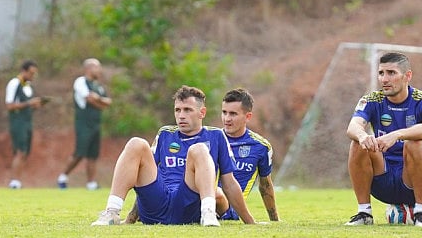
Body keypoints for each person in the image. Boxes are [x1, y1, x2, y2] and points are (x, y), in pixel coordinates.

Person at [91, 85, 256, 226]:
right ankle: (112, 211)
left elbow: (229, 183)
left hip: (187, 207)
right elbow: (143, 175)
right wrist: (131, 218)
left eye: (187, 110)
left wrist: (250, 221)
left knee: (198, 149)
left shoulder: (217, 136)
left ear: (202, 113)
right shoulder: (165, 134)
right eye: (177, 110)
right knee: (136, 143)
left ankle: (208, 213)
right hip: (156, 206)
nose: (181, 115)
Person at [345, 51, 422, 228]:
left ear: (407, 76)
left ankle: (421, 212)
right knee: (358, 142)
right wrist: (363, 136)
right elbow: (353, 127)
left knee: (417, 142)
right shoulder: (371, 100)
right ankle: (364, 213)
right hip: (383, 179)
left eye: (391, 73)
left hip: (416, 181)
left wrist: (397, 134)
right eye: (381, 73)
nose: (384, 79)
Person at [215, 88, 280, 222]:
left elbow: (265, 185)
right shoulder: (211, 139)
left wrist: (275, 220)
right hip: (204, 201)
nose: (227, 118)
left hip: (230, 211)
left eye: (233, 114)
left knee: (217, 193)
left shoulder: (260, 146)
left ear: (248, 116)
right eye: (224, 112)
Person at [58, 58, 111, 191]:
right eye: (97, 67)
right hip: (83, 124)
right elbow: (89, 99)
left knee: (93, 154)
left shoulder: (97, 85)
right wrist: (100, 101)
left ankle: (91, 183)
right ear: (88, 68)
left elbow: (107, 102)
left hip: (96, 124)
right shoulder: (81, 82)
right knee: (80, 152)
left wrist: (99, 99)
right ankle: (63, 177)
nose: (99, 70)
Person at [5, 60, 45, 189]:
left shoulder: (28, 86)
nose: (33, 76)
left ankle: (18, 180)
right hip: (18, 122)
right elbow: (10, 105)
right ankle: (14, 181)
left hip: (28, 122)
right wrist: (29, 103)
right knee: (20, 151)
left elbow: (26, 105)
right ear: (24, 71)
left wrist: (36, 105)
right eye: (31, 73)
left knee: (25, 152)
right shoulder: (14, 83)